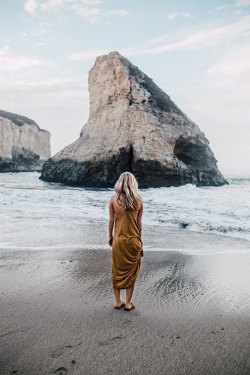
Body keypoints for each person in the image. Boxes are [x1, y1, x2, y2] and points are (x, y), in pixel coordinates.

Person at [109, 172, 143, 311]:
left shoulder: (113, 199)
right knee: (132, 273)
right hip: (133, 240)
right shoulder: (139, 200)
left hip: (119, 240)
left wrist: (110, 237)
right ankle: (128, 303)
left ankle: (118, 302)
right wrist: (139, 239)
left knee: (116, 270)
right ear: (133, 183)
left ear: (119, 182)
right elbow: (139, 222)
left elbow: (111, 220)